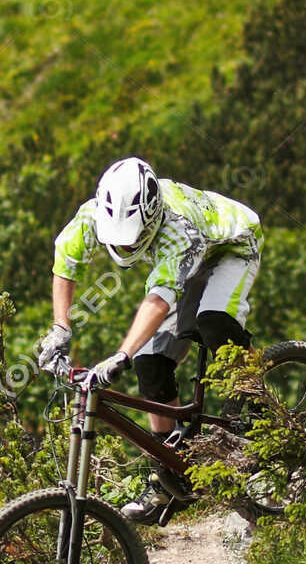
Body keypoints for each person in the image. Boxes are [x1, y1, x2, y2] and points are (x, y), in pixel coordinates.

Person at [34, 157, 263, 524]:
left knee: (214, 323)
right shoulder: (93, 215)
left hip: (230, 249)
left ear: (152, 220)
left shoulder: (177, 229)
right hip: (187, 261)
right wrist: (61, 327)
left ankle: (262, 404)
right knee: (150, 362)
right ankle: (169, 473)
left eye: (134, 239)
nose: (125, 249)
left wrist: (121, 354)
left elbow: (158, 301)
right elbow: (66, 264)